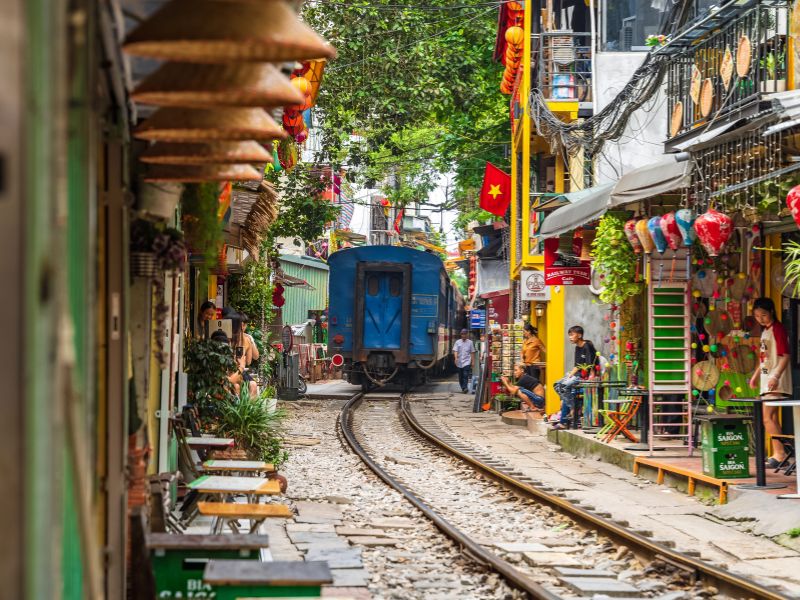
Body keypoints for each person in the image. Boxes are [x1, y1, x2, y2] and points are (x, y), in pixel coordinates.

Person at [748, 297, 792, 468]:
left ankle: (779, 453)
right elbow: (764, 359)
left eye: (764, 315)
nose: (761, 319)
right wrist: (755, 376)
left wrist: (775, 376)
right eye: (757, 316)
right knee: (772, 417)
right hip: (767, 379)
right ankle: (780, 452)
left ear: (772, 312)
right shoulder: (766, 330)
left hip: (775, 380)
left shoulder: (778, 329)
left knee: (767, 418)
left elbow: (785, 356)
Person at [552, 325, 598, 430]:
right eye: (569, 335)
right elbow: (577, 365)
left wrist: (590, 377)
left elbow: (591, 365)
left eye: (572, 334)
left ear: (580, 335)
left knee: (564, 387)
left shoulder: (587, 346)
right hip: (577, 375)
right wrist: (569, 376)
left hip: (585, 377)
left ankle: (570, 414)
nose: (570, 337)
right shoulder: (577, 347)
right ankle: (574, 408)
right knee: (557, 385)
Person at [452, 328, 476, 394]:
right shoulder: (457, 342)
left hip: (467, 361)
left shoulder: (470, 342)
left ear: (467, 334)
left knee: (466, 375)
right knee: (460, 376)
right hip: (459, 362)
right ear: (461, 335)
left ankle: (465, 387)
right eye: (462, 334)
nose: (464, 335)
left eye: (465, 334)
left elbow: (472, 352)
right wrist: (456, 358)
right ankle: (463, 387)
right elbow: (455, 351)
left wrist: (473, 361)